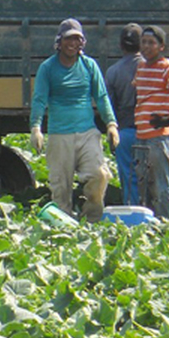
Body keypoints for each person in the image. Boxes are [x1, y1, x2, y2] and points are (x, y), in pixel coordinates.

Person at [29, 18, 120, 223]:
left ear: (82, 43)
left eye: (77, 39)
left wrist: (111, 124)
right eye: (69, 39)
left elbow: (102, 96)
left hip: (87, 132)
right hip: (60, 134)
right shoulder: (48, 68)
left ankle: (91, 220)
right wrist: (35, 127)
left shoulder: (89, 66)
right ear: (59, 42)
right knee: (60, 188)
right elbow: (39, 98)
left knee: (100, 175)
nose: (72, 44)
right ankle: (64, 228)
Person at [132, 25, 169, 218]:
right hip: (141, 136)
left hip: (159, 138)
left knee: (160, 185)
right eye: (144, 42)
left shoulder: (168, 68)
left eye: (151, 43)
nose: (147, 46)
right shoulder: (141, 66)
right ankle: (149, 223)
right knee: (143, 185)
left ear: (161, 46)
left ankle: (167, 225)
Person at [106, 23, 144, 206]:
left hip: (125, 133)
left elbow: (109, 108)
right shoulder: (151, 67)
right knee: (156, 178)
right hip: (151, 133)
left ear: (121, 46)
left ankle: (134, 214)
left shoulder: (113, 72)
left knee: (129, 179)